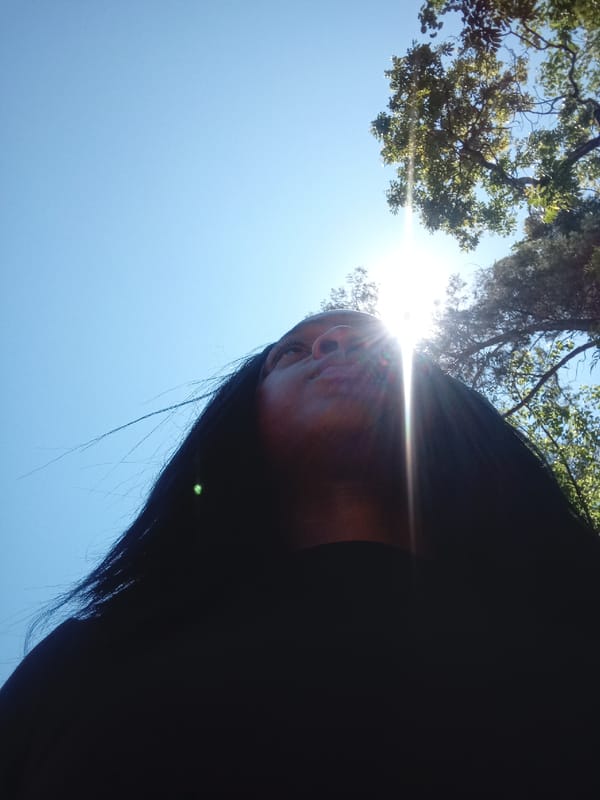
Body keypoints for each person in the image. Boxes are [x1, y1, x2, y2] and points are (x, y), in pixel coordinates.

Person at [1, 310, 599, 797]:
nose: (337, 343)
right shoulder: (92, 658)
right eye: (293, 350)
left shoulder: (577, 626)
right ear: (238, 421)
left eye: (377, 347)